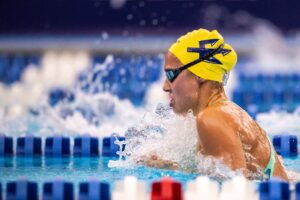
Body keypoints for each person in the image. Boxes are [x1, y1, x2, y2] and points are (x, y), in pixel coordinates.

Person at [148, 28, 288, 180]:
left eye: (170, 75)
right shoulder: (227, 112)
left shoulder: (211, 118)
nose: (165, 86)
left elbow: (236, 189)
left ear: (199, 74)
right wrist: (169, 165)